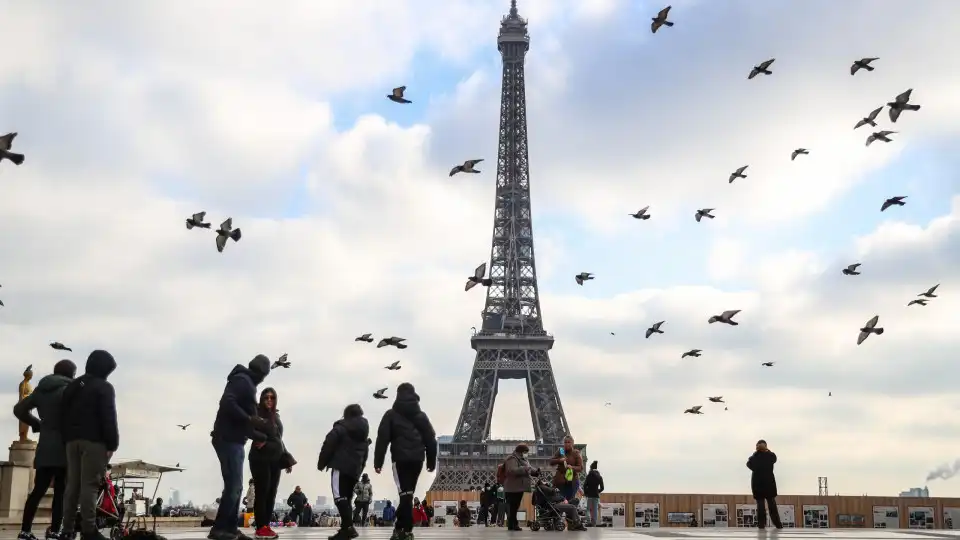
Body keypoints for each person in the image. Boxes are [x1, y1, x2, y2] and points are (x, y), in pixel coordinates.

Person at [209, 355, 271, 540]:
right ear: (261, 373)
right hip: (227, 439)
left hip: (234, 439)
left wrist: (259, 435)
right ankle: (219, 529)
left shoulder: (245, 382)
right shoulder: (243, 381)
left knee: (236, 487)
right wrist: (250, 419)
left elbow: (244, 423)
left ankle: (230, 528)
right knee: (234, 486)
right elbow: (227, 402)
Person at [14, 359, 77, 540]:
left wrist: (37, 423)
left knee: (37, 491)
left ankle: (25, 530)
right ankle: (55, 532)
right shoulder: (72, 391)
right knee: (60, 492)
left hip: (45, 447)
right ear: (71, 374)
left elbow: (19, 410)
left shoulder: (42, 389)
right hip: (65, 448)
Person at [60, 350, 118, 540]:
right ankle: (88, 529)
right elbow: (108, 417)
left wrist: (67, 438)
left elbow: (64, 414)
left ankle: (67, 529)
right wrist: (112, 444)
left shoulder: (73, 386)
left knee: (72, 487)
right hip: (94, 442)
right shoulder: (104, 387)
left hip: (71, 441)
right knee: (90, 486)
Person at [373, 382, 437, 540]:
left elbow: (382, 440)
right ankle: (401, 528)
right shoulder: (421, 416)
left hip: (400, 459)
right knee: (407, 494)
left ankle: (405, 529)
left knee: (405, 495)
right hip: (417, 460)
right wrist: (431, 462)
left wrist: (378, 462)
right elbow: (431, 440)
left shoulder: (390, 415)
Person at [317, 403, 370, 540]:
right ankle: (346, 528)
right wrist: (359, 471)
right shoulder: (363, 434)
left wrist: (321, 463)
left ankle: (348, 528)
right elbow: (365, 455)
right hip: (354, 471)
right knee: (346, 498)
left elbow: (328, 443)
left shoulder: (341, 428)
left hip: (340, 466)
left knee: (339, 497)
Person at [249, 387, 292, 539]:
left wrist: (286, 458)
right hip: (260, 458)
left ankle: (266, 526)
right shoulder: (256, 413)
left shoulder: (275, 416)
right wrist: (261, 438)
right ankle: (261, 527)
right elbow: (247, 427)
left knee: (271, 494)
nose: (269, 400)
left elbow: (279, 438)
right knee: (262, 492)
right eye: (266, 397)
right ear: (261, 399)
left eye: (272, 397)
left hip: (275, 458)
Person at [747, 439, 782, 530]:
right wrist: (766, 450)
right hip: (769, 483)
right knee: (771, 505)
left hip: (758, 484)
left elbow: (749, 464)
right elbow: (774, 458)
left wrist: (756, 453)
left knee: (761, 506)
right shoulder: (770, 456)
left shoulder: (754, 458)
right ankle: (778, 524)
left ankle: (761, 525)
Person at [502, 444, 535, 531]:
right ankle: (513, 525)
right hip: (512, 488)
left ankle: (512, 524)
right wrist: (525, 468)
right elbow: (512, 470)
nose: (527, 454)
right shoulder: (512, 458)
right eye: (526, 452)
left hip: (518, 487)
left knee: (515, 506)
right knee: (513, 507)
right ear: (521, 451)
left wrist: (536, 471)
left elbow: (529, 469)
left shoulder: (523, 459)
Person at [548, 436, 583, 503]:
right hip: (560, 482)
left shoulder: (576, 453)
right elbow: (551, 462)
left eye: (569, 442)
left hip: (572, 482)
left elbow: (580, 467)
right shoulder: (560, 451)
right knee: (559, 502)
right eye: (565, 442)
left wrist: (572, 467)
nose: (567, 444)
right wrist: (559, 460)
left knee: (570, 502)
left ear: (572, 443)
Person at [582, 460, 604, 527]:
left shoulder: (589, 476)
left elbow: (584, 485)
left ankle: (589, 521)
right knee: (595, 509)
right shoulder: (599, 477)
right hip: (596, 495)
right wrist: (598, 491)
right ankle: (594, 522)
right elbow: (602, 488)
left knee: (588, 509)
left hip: (589, 495)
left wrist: (586, 493)